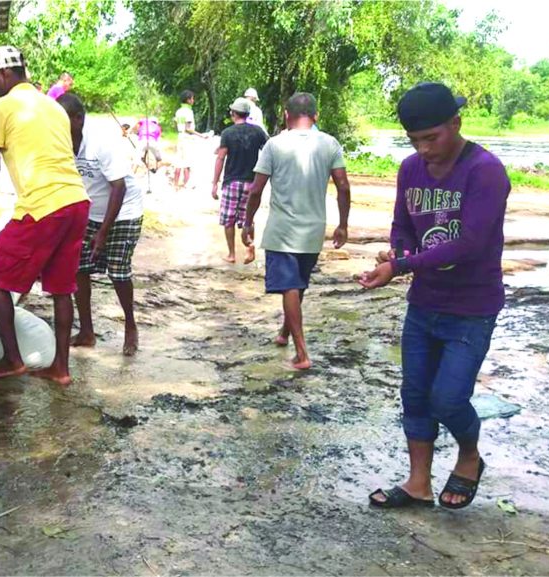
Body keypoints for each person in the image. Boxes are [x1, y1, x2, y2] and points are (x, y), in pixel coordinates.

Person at [360, 82, 510, 510]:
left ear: (456, 124)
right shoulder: (410, 170)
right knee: (416, 394)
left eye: (432, 138)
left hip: (471, 307)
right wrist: (401, 250)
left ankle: (468, 455)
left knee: (448, 398)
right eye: (415, 141)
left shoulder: (485, 171)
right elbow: (402, 225)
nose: (424, 149)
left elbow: (471, 244)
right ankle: (418, 483)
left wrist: (401, 266)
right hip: (424, 304)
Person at [0, 46, 90, 386]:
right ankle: (61, 368)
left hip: (42, 206)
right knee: (61, 288)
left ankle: (12, 360)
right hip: (76, 202)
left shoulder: (1, 107)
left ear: (2, 75)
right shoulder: (53, 105)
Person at [242, 92, 350, 370]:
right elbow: (343, 186)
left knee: (290, 286)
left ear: (287, 115)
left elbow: (256, 189)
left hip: (282, 230)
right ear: (315, 116)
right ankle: (284, 333)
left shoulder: (275, 145)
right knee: (297, 284)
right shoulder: (330, 144)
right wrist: (342, 224)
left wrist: (248, 221)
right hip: (313, 229)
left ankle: (301, 352)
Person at [57, 92, 145, 357]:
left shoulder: (101, 143)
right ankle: (86, 331)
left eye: (62, 121)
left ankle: (131, 326)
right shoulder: (60, 143)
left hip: (123, 212)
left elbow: (118, 187)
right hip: (89, 211)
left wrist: (103, 233)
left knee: (117, 271)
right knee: (78, 268)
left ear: (79, 119)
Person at [212, 97, 268, 264]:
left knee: (228, 218)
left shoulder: (228, 133)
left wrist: (214, 182)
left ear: (233, 114)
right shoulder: (258, 132)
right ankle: (249, 247)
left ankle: (231, 254)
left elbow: (220, 158)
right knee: (248, 217)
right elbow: (268, 151)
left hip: (232, 181)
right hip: (252, 181)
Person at [173, 90, 208, 191]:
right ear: (188, 100)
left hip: (180, 136)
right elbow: (188, 129)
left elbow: (176, 124)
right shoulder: (188, 112)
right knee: (187, 162)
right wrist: (201, 136)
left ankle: (175, 184)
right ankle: (186, 183)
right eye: (192, 98)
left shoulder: (178, 111)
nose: (193, 100)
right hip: (187, 138)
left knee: (179, 161)